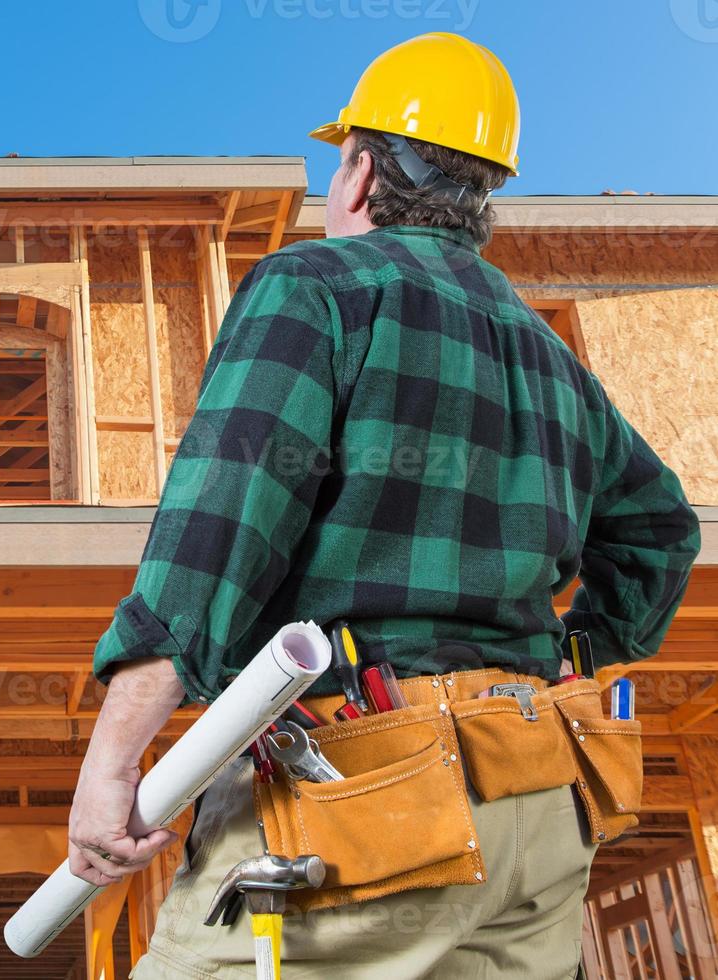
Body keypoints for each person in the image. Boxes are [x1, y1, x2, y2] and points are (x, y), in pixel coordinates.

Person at [67, 33, 701, 978]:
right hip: (540, 790)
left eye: (339, 165)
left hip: (367, 796)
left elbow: (221, 522)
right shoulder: (550, 356)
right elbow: (661, 533)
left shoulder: (314, 288)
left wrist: (116, 755)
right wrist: (558, 659)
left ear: (362, 173)